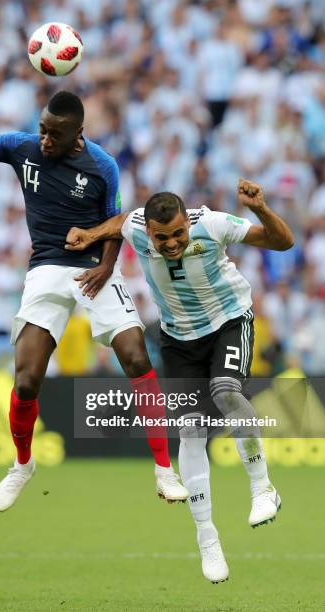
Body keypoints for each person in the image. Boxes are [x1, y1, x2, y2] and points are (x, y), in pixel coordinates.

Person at [0, 91, 188, 511]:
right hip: (46, 267)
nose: (45, 139)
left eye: (55, 134)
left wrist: (105, 267)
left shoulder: (102, 165)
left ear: (78, 134)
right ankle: (22, 465)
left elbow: (116, 222)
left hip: (93, 265)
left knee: (136, 356)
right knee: (26, 379)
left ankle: (163, 470)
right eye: (43, 129)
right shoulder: (21, 146)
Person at [66, 179, 294, 583]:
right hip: (177, 338)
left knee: (225, 392)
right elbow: (120, 223)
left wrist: (259, 208)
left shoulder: (213, 224)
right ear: (148, 232)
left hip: (228, 321)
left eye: (178, 234)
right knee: (190, 430)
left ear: (188, 222)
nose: (172, 243)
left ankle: (262, 487)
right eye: (162, 237)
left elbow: (283, 241)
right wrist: (92, 233)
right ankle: (207, 538)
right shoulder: (138, 226)